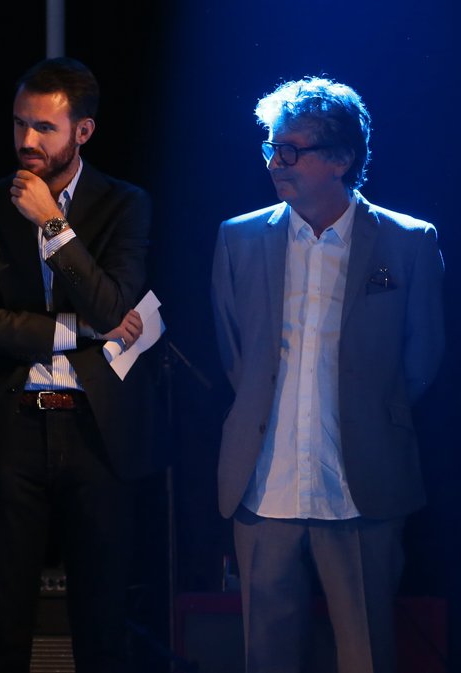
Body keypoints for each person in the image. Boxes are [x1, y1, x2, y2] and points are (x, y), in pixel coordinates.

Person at [211, 77, 444, 672]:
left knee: (367, 653)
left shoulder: (408, 242)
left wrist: (370, 414)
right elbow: (237, 355)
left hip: (361, 484)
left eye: (292, 150)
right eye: (270, 148)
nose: (275, 163)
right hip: (264, 486)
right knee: (266, 657)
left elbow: (421, 361)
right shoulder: (238, 239)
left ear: (341, 158)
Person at [0, 57, 158, 673]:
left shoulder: (125, 204)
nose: (27, 142)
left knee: (102, 622)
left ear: (82, 132)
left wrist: (53, 224)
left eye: (44, 128)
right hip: (13, 425)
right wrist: (77, 331)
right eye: (19, 125)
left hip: (96, 433)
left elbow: (116, 303)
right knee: (4, 622)